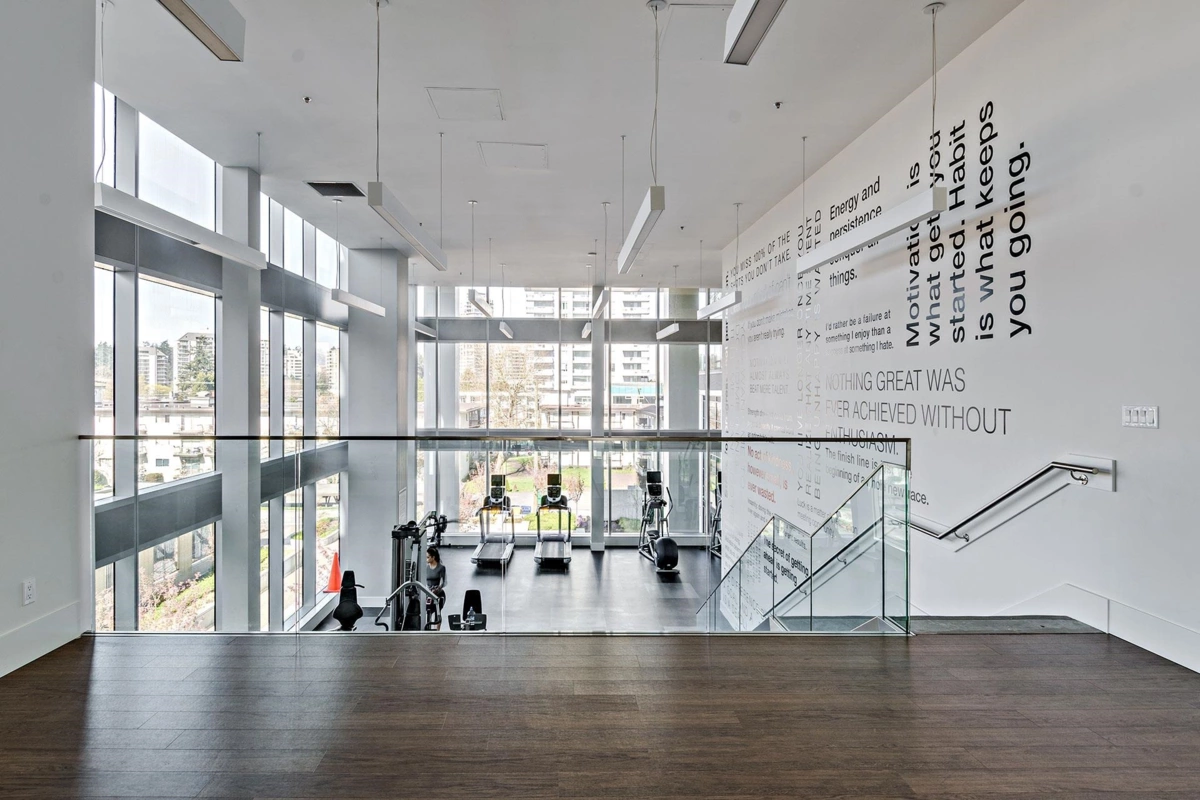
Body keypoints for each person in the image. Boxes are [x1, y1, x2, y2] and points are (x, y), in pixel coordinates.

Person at [424, 546, 447, 630]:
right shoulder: (426, 568)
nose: (427, 559)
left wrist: (437, 589)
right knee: (428, 611)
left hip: (438, 593)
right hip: (428, 593)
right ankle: (428, 629)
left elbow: (443, 582)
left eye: (428, 557)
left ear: (433, 557)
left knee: (438, 611)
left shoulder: (441, 568)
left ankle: (437, 631)